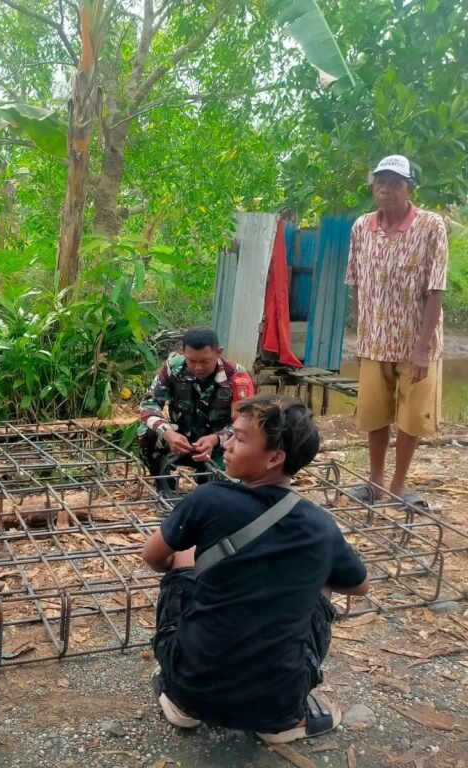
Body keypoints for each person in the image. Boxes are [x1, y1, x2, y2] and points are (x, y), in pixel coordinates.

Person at [142, 394, 369, 742]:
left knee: (183, 552)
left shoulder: (208, 499)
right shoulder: (320, 525)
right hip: (278, 701)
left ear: (275, 458)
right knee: (323, 579)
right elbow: (359, 586)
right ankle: (283, 723)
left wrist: (189, 568)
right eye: (230, 435)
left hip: (191, 685)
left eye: (239, 438)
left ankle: (182, 705)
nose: (227, 445)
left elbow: (152, 557)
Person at [345, 155, 449, 508]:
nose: (385, 188)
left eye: (394, 182)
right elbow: (357, 283)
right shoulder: (361, 226)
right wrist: (361, 334)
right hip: (375, 341)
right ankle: (374, 482)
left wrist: (421, 349)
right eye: (380, 182)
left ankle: (398, 485)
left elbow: (436, 289)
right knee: (375, 413)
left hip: (417, 344)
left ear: (409, 188)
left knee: (410, 417)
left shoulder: (430, 226)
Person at [138, 326, 254, 483]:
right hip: (180, 440)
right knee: (146, 432)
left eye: (205, 361)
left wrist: (215, 439)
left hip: (220, 446)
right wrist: (168, 433)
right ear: (183, 352)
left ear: (218, 353)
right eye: (191, 361)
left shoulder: (237, 376)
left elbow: (245, 422)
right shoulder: (173, 368)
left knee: (221, 487)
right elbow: (148, 405)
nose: (198, 368)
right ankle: (164, 482)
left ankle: (208, 477)